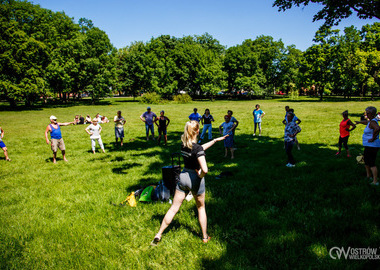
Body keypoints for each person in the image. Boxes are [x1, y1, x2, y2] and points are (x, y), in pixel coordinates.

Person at [151, 121, 228, 246]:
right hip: (194, 179)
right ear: (197, 131)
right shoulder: (197, 149)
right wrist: (200, 176)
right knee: (201, 208)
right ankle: (204, 237)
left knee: (173, 209)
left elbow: (199, 149)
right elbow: (205, 169)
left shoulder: (184, 145)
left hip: (183, 177)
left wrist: (215, 140)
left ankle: (158, 234)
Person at [355, 106, 380, 186]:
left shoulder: (373, 122)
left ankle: (375, 181)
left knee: (371, 163)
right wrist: (359, 122)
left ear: (372, 114)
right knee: (366, 161)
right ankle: (368, 176)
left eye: (367, 113)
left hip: (372, 146)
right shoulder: (371, 121)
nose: (366, 115)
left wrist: (373, 138)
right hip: (368, 145)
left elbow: (377, 128)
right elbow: (367, 123)